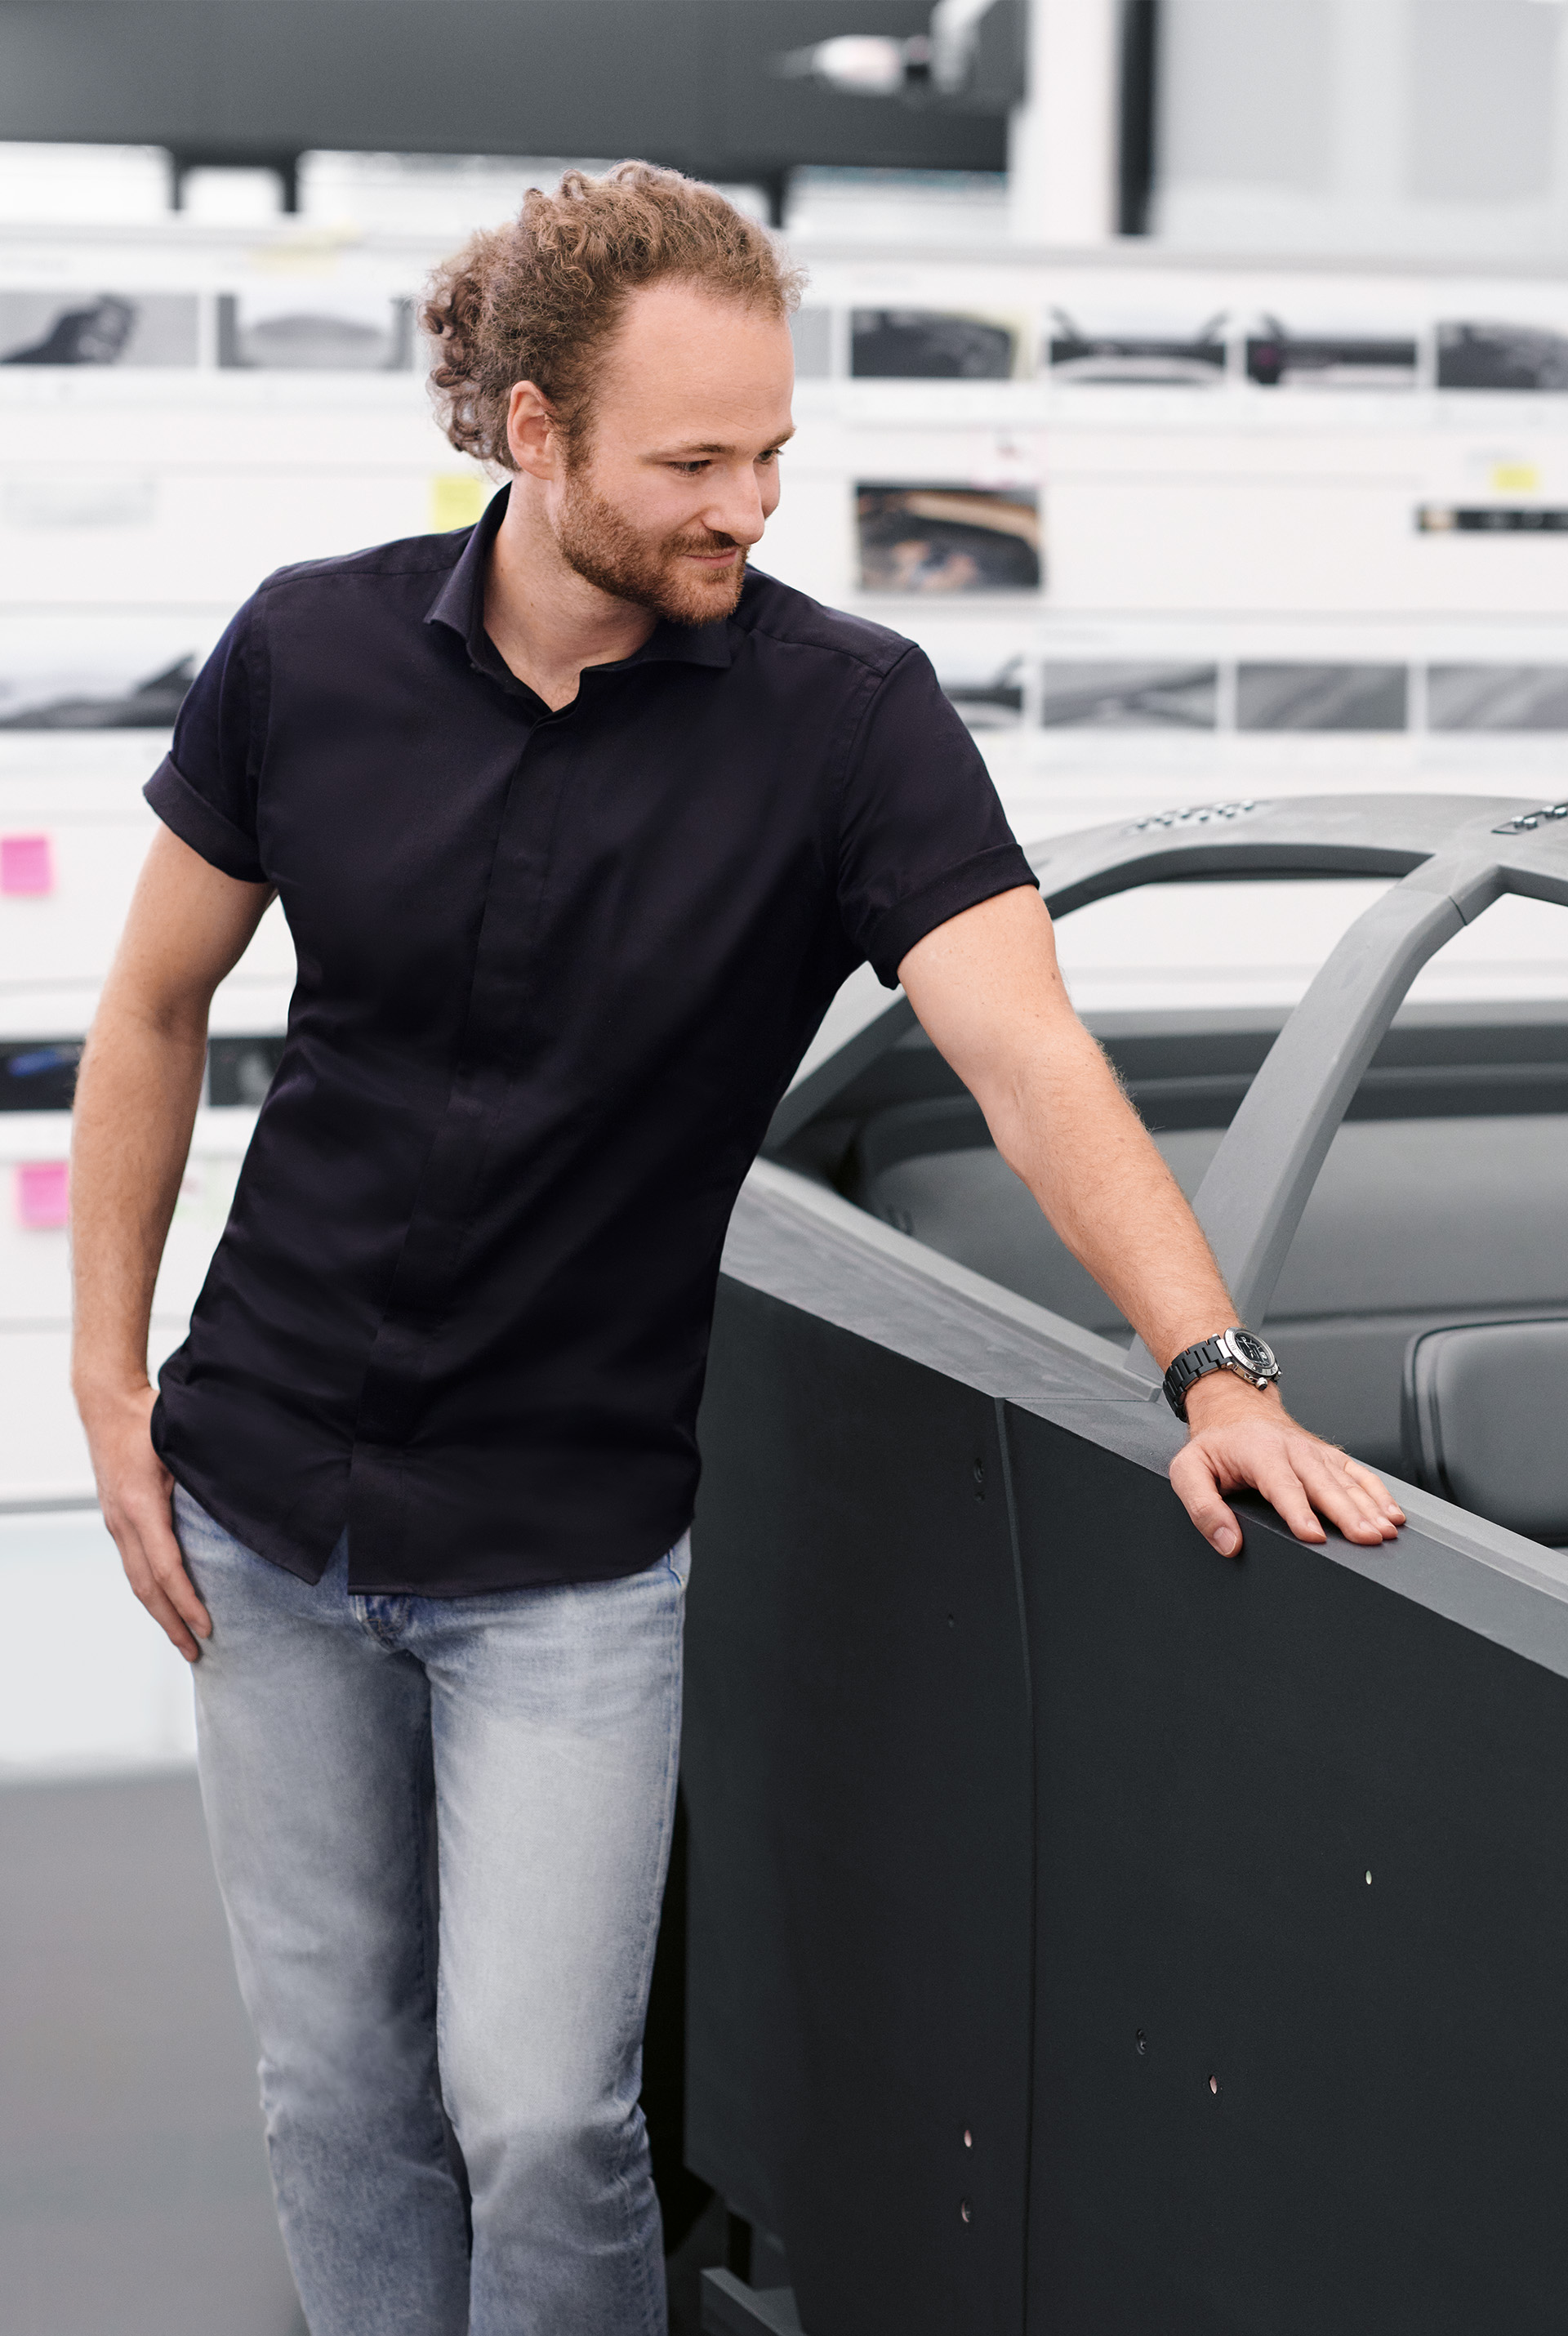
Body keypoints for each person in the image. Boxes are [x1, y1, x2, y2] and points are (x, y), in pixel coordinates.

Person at [69, 163, 1403, 2336]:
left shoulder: (846, 719)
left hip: (573, 1554)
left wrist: (1213, 1366)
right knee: (333, 2084)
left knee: (537, 2110)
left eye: (774, 448)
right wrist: (106, 1378)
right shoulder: (306, 649)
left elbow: (1032, 1056)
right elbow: (148, 1003)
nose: (752, 501)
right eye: (696, 460)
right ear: (532, 433)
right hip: (263, 1501)